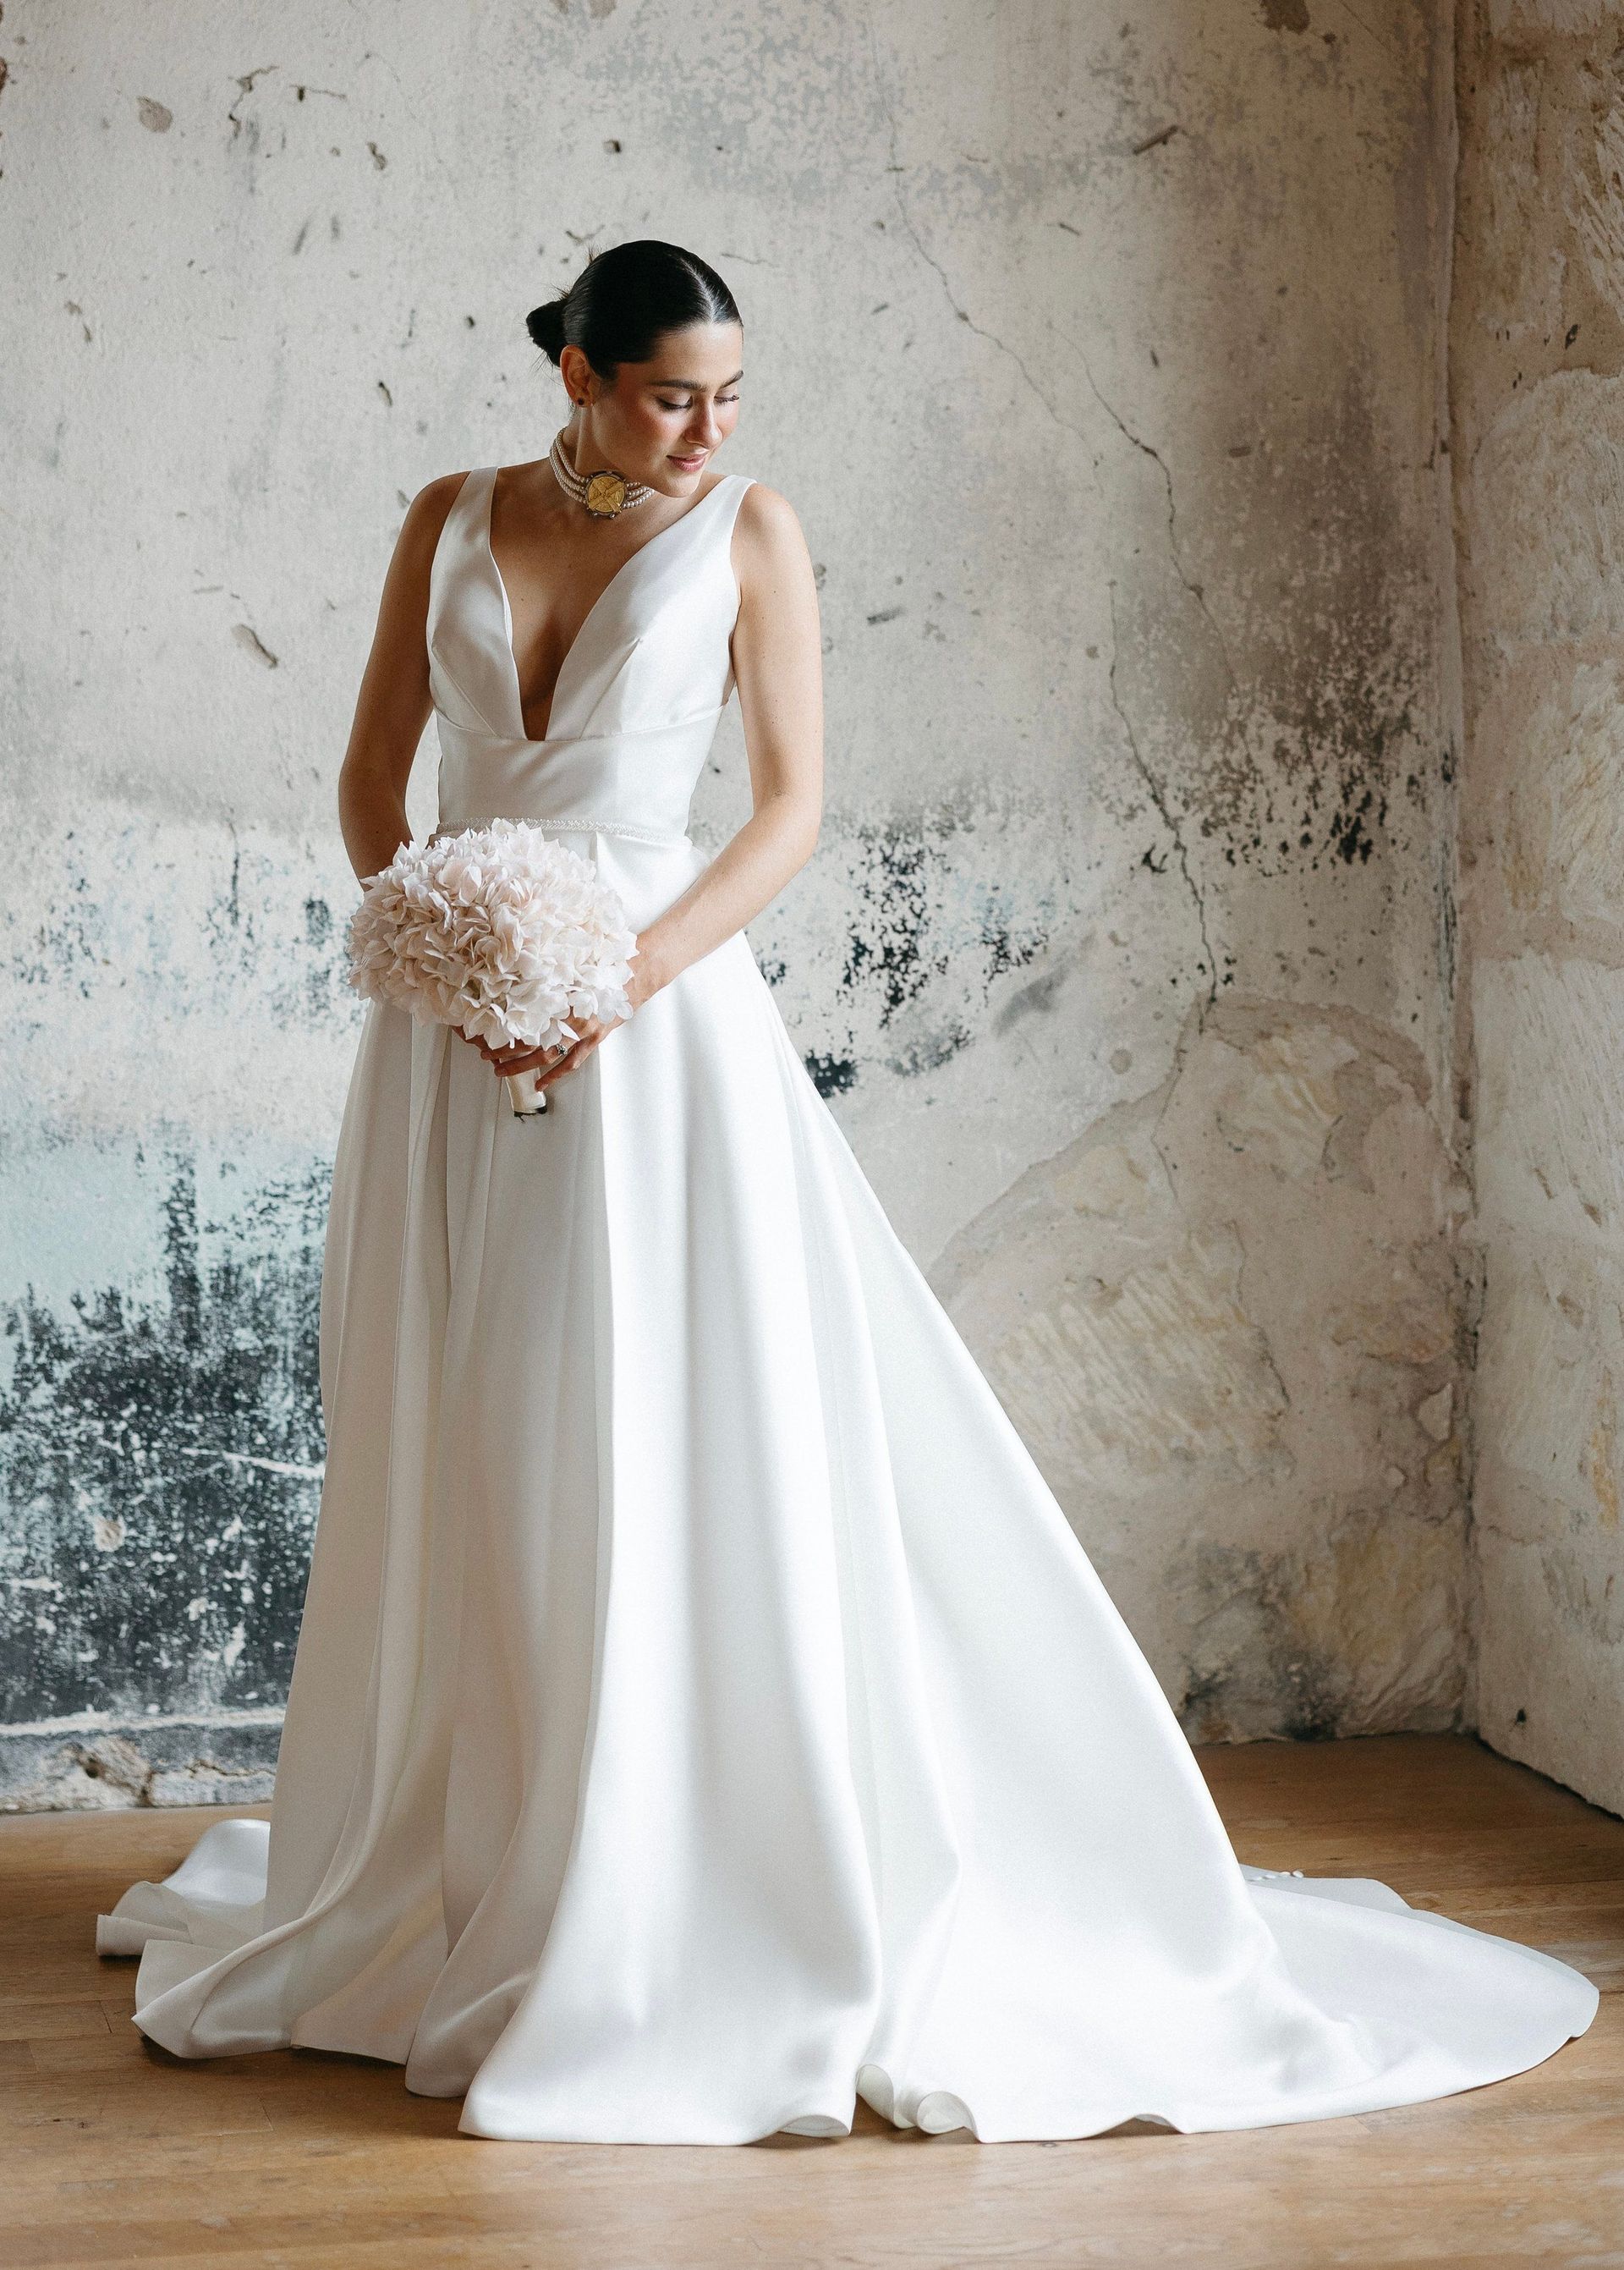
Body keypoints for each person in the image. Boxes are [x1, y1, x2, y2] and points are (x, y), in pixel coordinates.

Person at [98, 239, 1599, 2146]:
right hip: (453, 1043)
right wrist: (439, 951)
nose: (709, 429)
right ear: (574, 369)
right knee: (471, 1427)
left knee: (645, 1425)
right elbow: (372, 780)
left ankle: (663, 1873)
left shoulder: (753, 536)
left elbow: (790, 808)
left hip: (656, 1026)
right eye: (668, 394)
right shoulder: (445, 521)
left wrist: (610, 982)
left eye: (732, 394)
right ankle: (483, 1844)